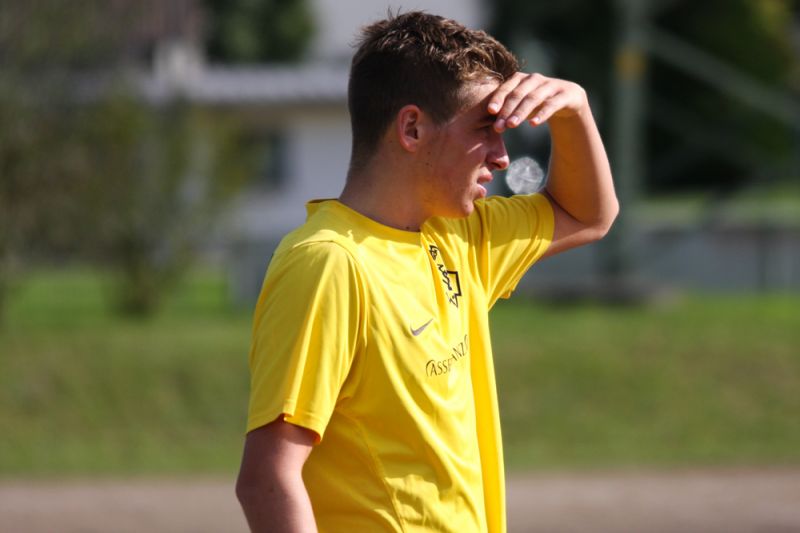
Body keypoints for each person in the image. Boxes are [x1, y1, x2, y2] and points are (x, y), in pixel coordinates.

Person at [235, 11, 618, 533]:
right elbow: (268, 478)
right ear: (412, 128)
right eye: (485, 129)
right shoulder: (329, 263)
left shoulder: (456, 235)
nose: (503, 158)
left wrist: (574, 111)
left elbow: (589, 215)